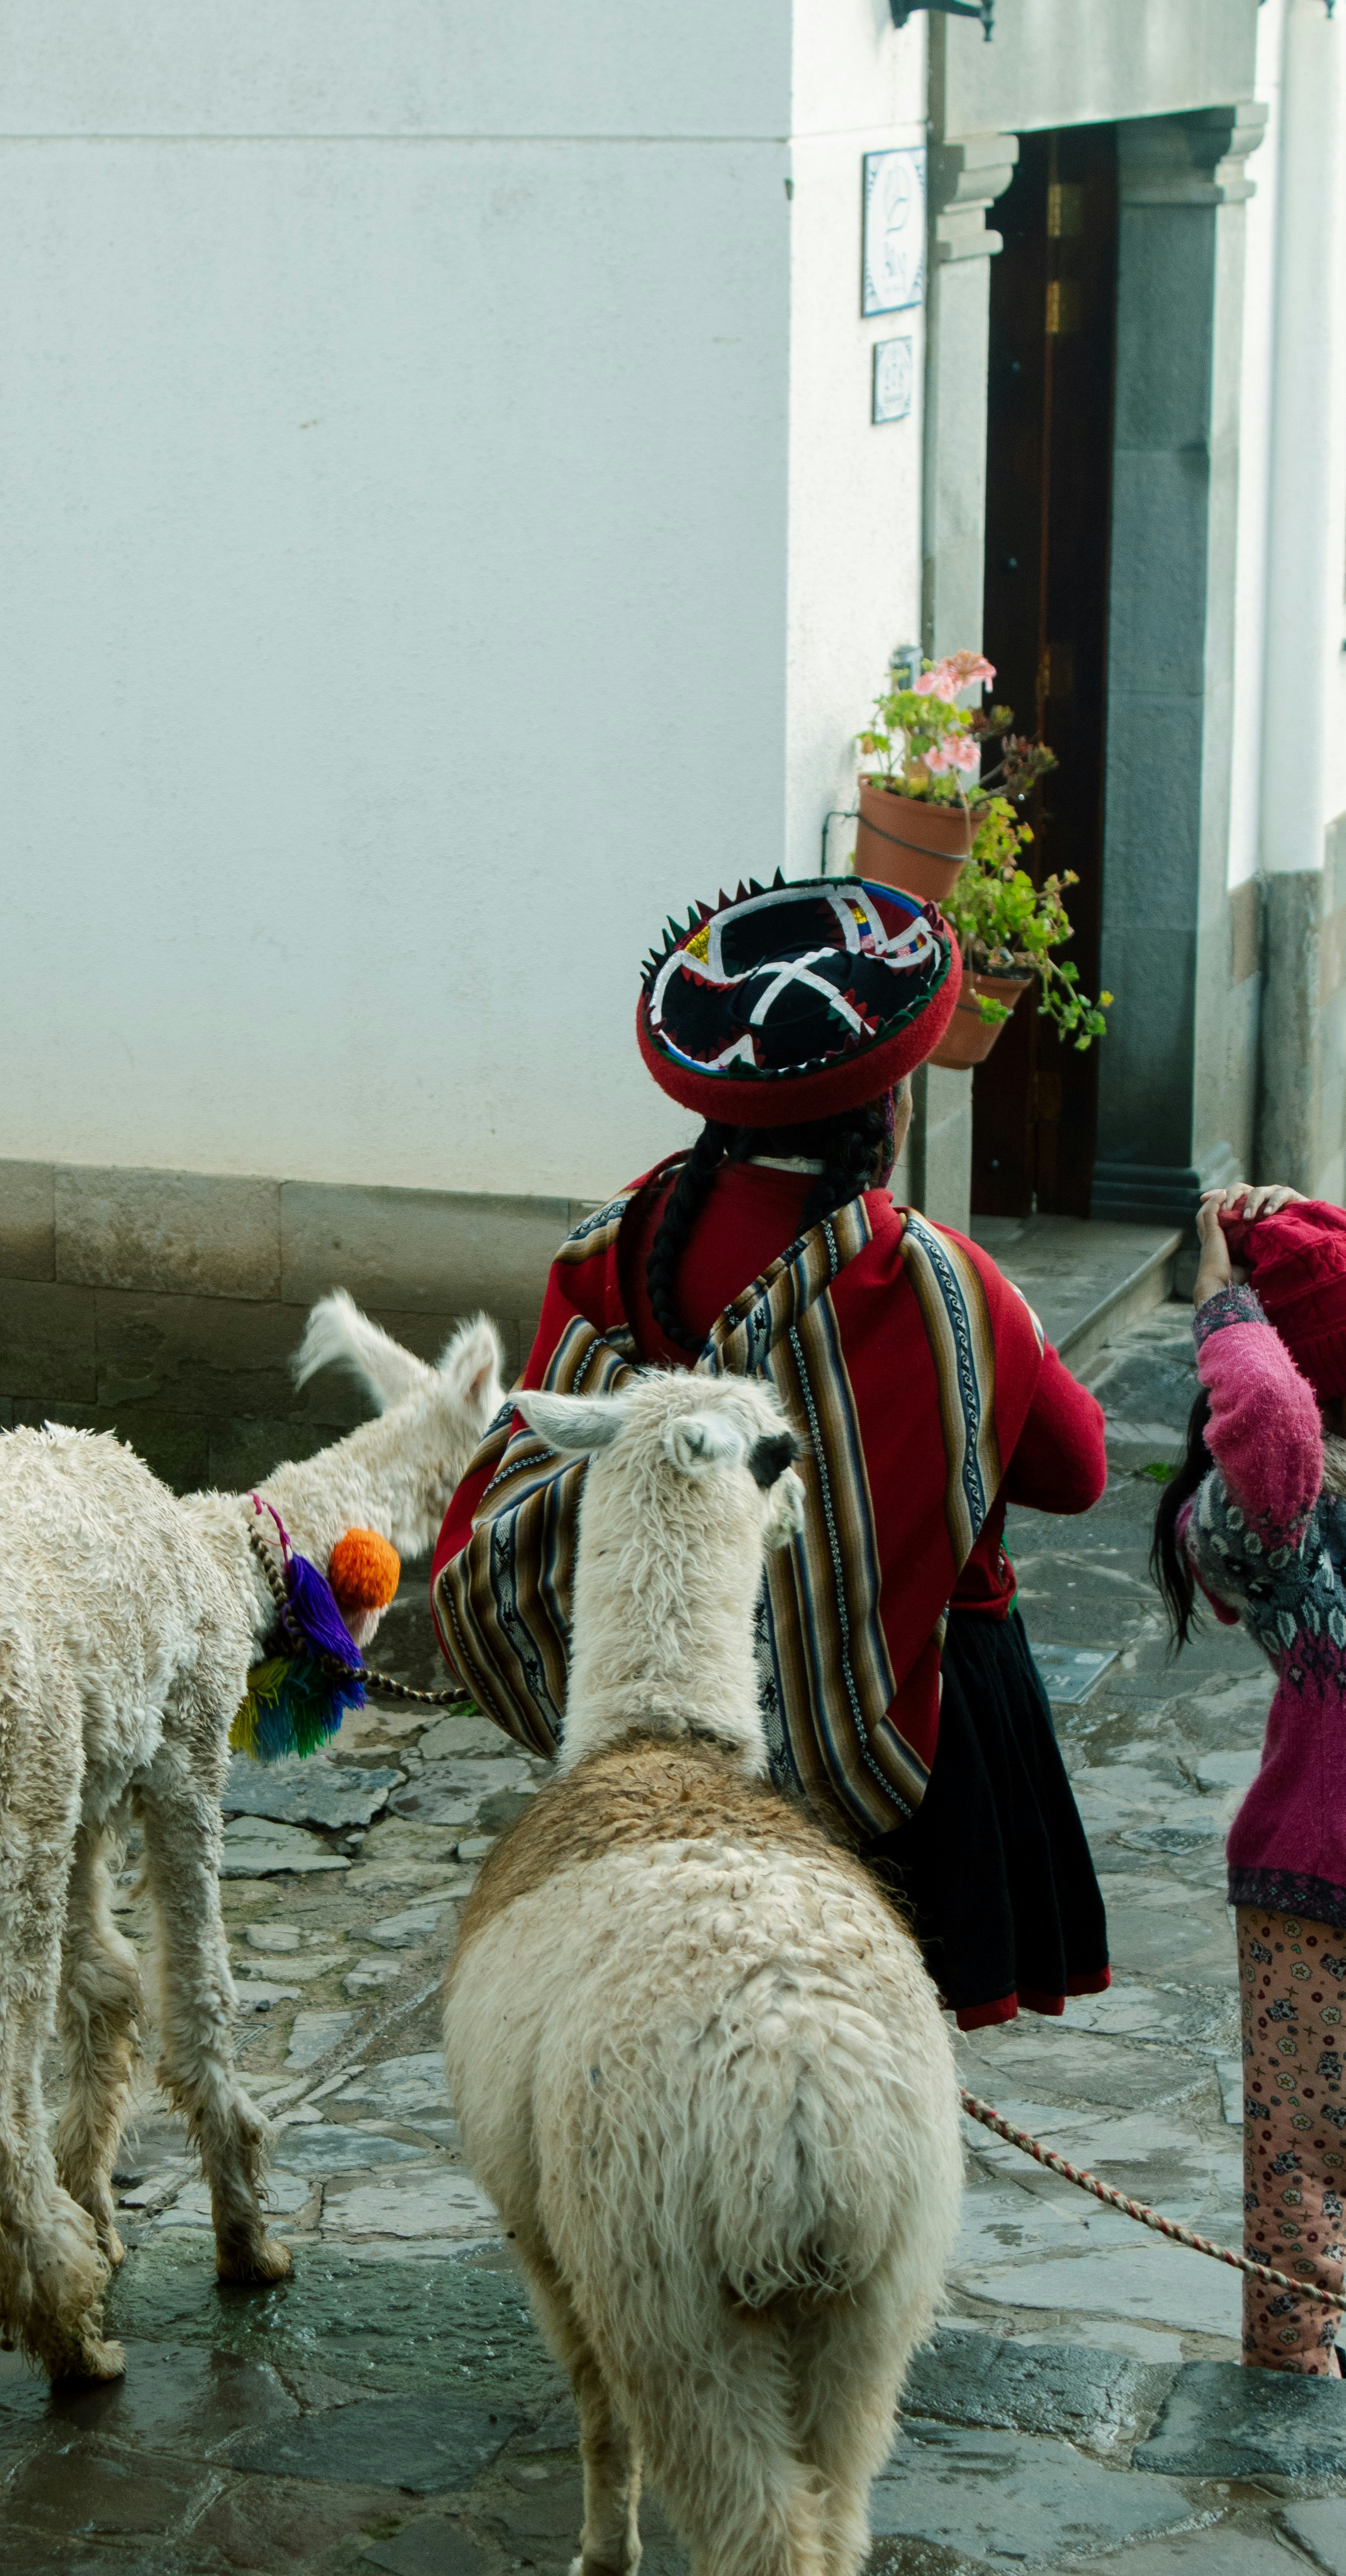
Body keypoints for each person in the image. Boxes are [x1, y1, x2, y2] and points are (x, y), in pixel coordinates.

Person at [431, 870, 1111, 2028]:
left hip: (674, 1704)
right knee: (874, 2041)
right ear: (885, 1108)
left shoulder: (614, 1249)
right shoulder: (935, 1281)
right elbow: (1076, 1469)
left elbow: (523, 1463)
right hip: (910, 1714)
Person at [1152, 1180, 1346, 2371]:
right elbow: (1274, 1420)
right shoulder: (1262, 1522)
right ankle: (1292, 2426)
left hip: (1304, 1877)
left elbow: (1272, 1393)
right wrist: (1250, 1296)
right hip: (1311, 1885)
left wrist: (1252, 1272)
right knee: (1297, 2211)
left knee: (1298, 2184)